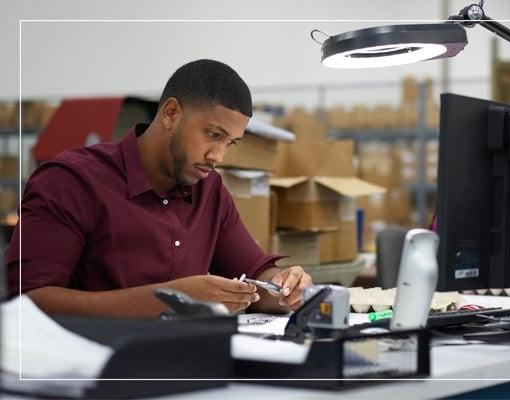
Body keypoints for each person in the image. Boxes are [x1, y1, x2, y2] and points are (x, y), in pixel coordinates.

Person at [5, 59, 312, 318]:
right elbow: (29, 302)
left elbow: (257, 277)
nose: (218, 156)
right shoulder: (71, 181)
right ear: (171, 113)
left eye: (229, 143)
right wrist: (169, 299)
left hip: (183, 371)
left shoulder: (210, 189)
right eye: (213, 134)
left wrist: (284, 286)